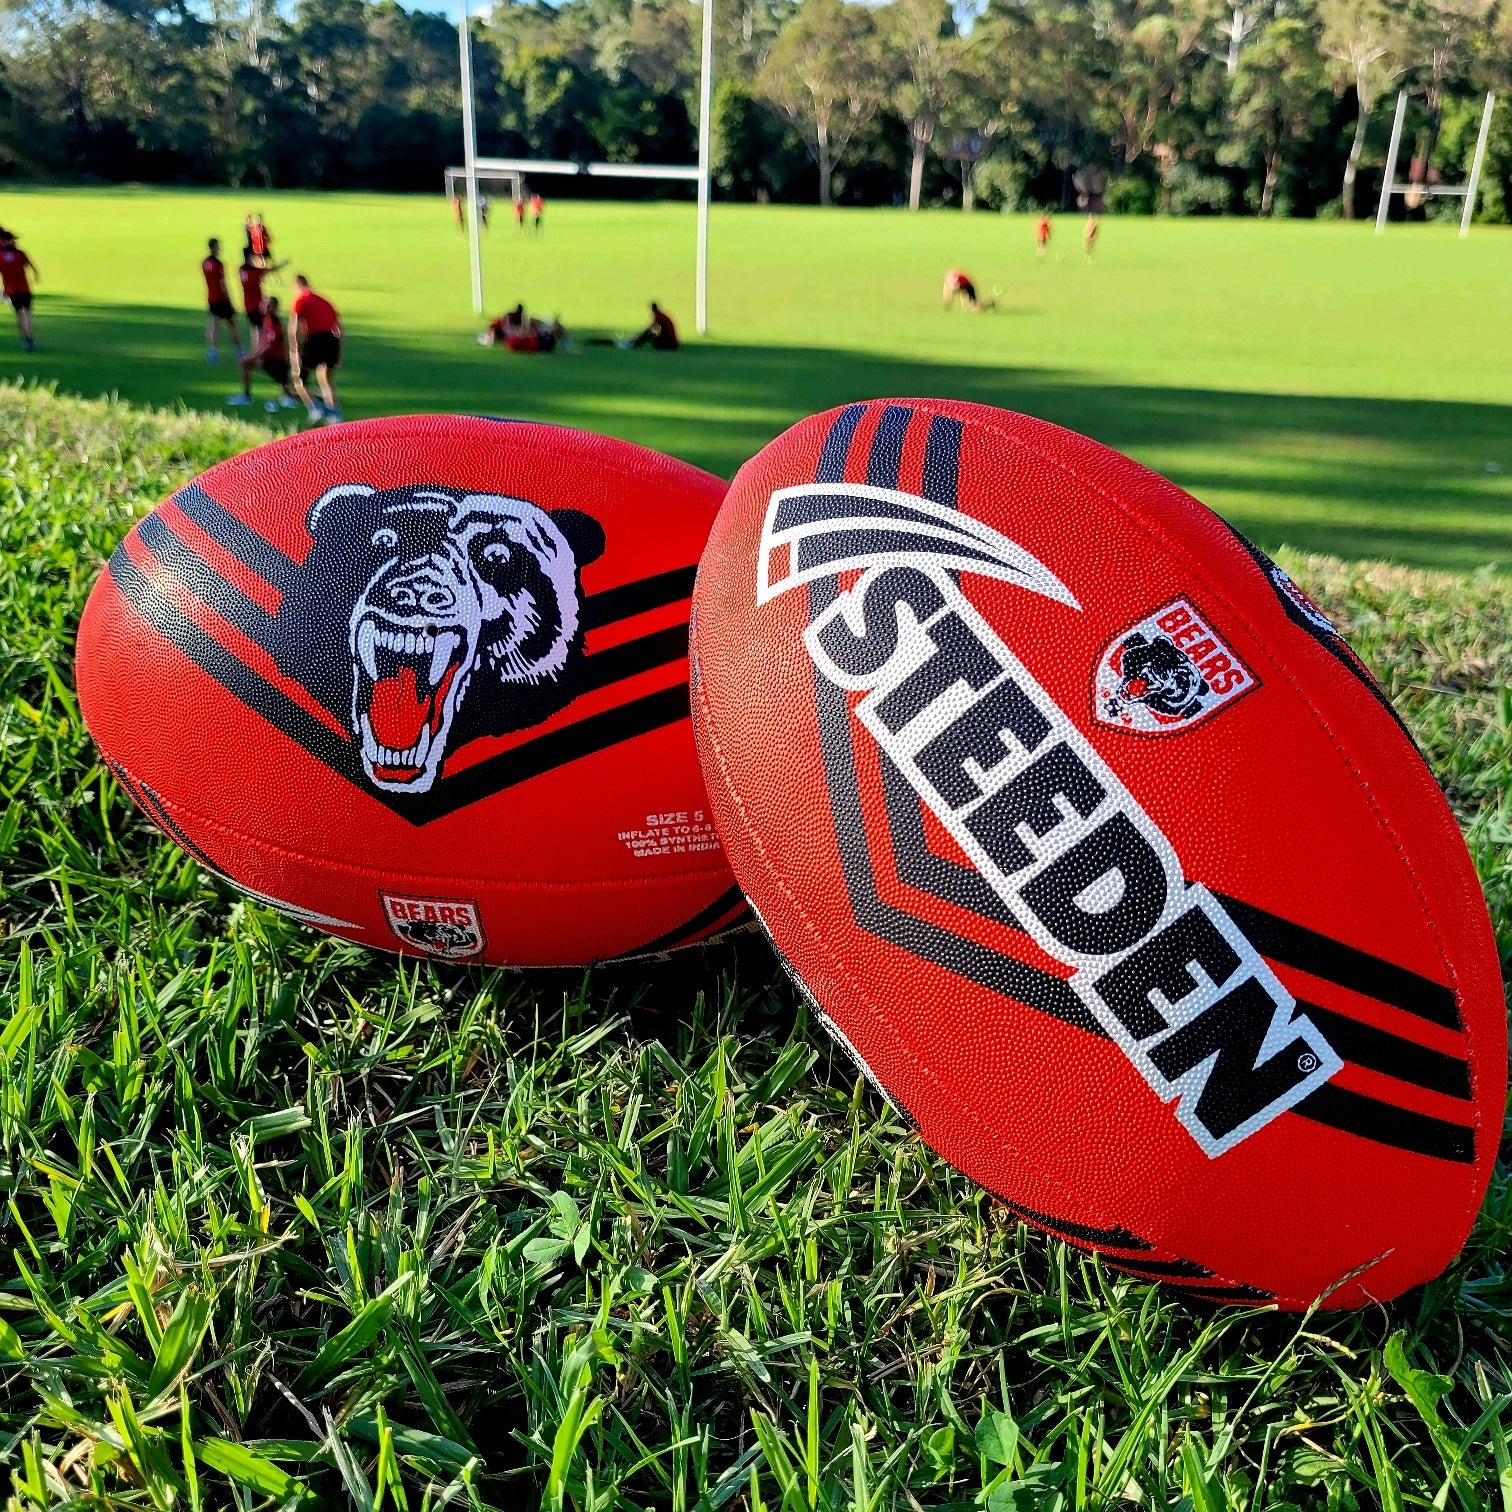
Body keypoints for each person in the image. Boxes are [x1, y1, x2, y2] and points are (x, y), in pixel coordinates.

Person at [288, 274, 343, 424]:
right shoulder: (324, 301)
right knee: (327, 379)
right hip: (332, 341)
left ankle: (316, 408)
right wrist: (339, 350)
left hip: (315, 340)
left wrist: (295, 349)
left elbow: (294, 327)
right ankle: (335, 414)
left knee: (299, 378)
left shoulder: (301, 299)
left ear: (298, 285)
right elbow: (339, 327)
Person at [229, 295, 301, 411]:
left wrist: (252, 357)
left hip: (276, 361)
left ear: (275, 307)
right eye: (264, 304)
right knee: (287, 389)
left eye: (268, 305)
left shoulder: (275, 322)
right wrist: (251, 355)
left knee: (246, 365)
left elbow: (269, 346)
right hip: (269, 360)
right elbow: (263, 343)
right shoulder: (266, 320)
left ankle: (246, 396)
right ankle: (292, 396)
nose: (265, 306)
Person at [202, 238, 242, 363]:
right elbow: (222, 284)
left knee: (213, 326)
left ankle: (212, 354)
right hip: (221, 299)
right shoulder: (218, 264)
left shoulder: (204, 263)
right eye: (217, 246)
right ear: (213, 247)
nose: (219, 248)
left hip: (211, 298)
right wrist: (230, 301)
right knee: (232, 325)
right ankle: (239, 352)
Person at [0, 227, 38, 351]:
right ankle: (28, 337)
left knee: (20, 314)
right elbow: (31, 266)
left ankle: (26, 338)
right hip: (24, 289)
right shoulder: (20, 254)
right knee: (26, 313)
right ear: (7, 241)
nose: (15, 242)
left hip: (12, 291)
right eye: (13, 240)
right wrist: (36, 275)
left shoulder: (1, 257)